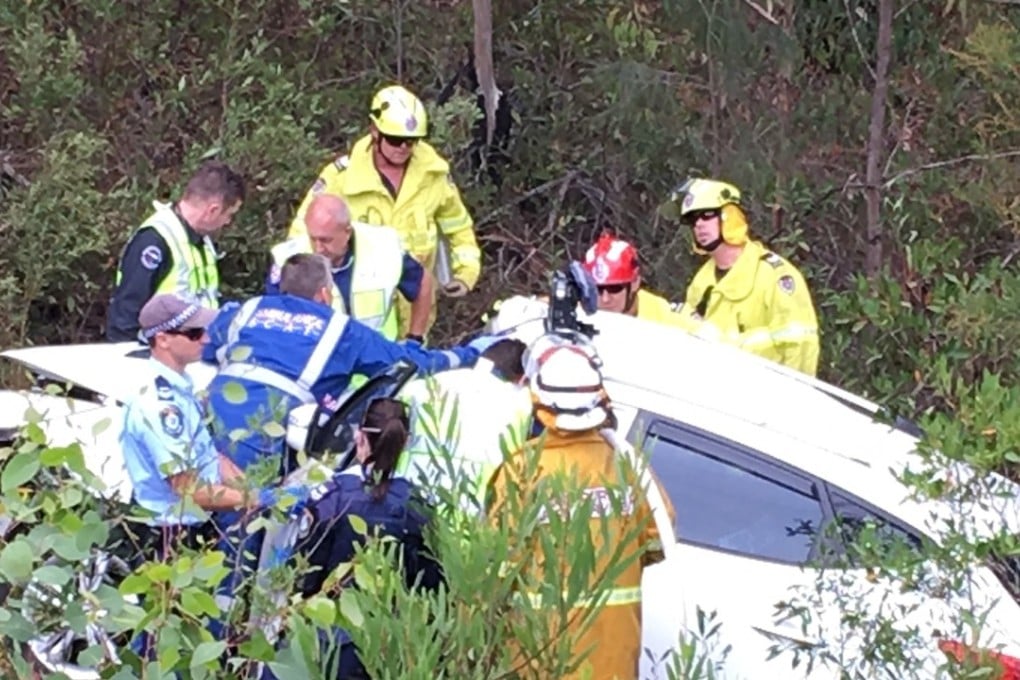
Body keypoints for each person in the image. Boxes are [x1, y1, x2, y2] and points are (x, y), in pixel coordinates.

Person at [486, 334, 673, 680]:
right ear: (600, 400)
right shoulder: (626, 465)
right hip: (614, 659)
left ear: (539, 402)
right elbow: (657, 541)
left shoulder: (521, 472)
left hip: (541, 659)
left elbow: (496, 571)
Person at [204, 252, 478, 479]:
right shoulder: (341, 330)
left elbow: (202, 346)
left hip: (208, 420)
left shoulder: (246, 310)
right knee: (252, 517)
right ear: (324, 294)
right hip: (266, 431)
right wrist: (470, 354)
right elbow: (410, 364)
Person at [287, 84, 481, 337]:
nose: (403, 148)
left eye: (412, 142)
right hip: (353, 315)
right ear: (374, 131)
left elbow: (459, 228)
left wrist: (465, 274)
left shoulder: (434, 175)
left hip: (417, 314)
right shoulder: (341, 177)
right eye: (395, 140)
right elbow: (302, 232)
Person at [295, 397, 443, 680]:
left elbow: (304, 569)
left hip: (329, 631)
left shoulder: (330, 496)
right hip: (391, 634)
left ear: (359, 436)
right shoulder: (417, 503)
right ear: (406, 441)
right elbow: (430, 580)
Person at [119, 294, 253, 544]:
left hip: (193, 527)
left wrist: (253, 491)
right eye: (194, 333)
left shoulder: (182, 389)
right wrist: (252, 501)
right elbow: (188, 488)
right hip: (168, 536)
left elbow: (210, 457)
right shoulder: (159, 404)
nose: (205, 339)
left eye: (203, 330)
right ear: (163, 340)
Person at [666, 178, 820, 376]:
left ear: (730, 216)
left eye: (706, 215)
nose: (699, 225)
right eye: (692, 220)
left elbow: (801, 346)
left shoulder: (775, 275)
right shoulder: (701, 282)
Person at [107, 161, 246, 342]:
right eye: (229, 214)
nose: (228, 222)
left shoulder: (199, 239)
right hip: (157, 354)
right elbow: (126, 314)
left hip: (192, 349)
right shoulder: (155, 240)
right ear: (213, 210)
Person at [268, 193, 433, 341]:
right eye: (313, 239)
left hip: (377, 360)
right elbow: (270, 315)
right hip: (319, 363)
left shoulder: (383, 246)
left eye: (326, 240)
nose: (318, 248)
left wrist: (415, 338)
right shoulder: (286, 258)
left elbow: (423, 282)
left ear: (347, 232)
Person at [397, 337, 532, 514]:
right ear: (522, 379)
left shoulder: (418, 388)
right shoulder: (520, 404)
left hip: (406, 512)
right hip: (471, 525)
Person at [581, 233, 692, 328]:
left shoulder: (668, 319)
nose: (605, 299)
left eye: (614, 288)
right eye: (596, 289)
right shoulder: (577, 315)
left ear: (635, 282)